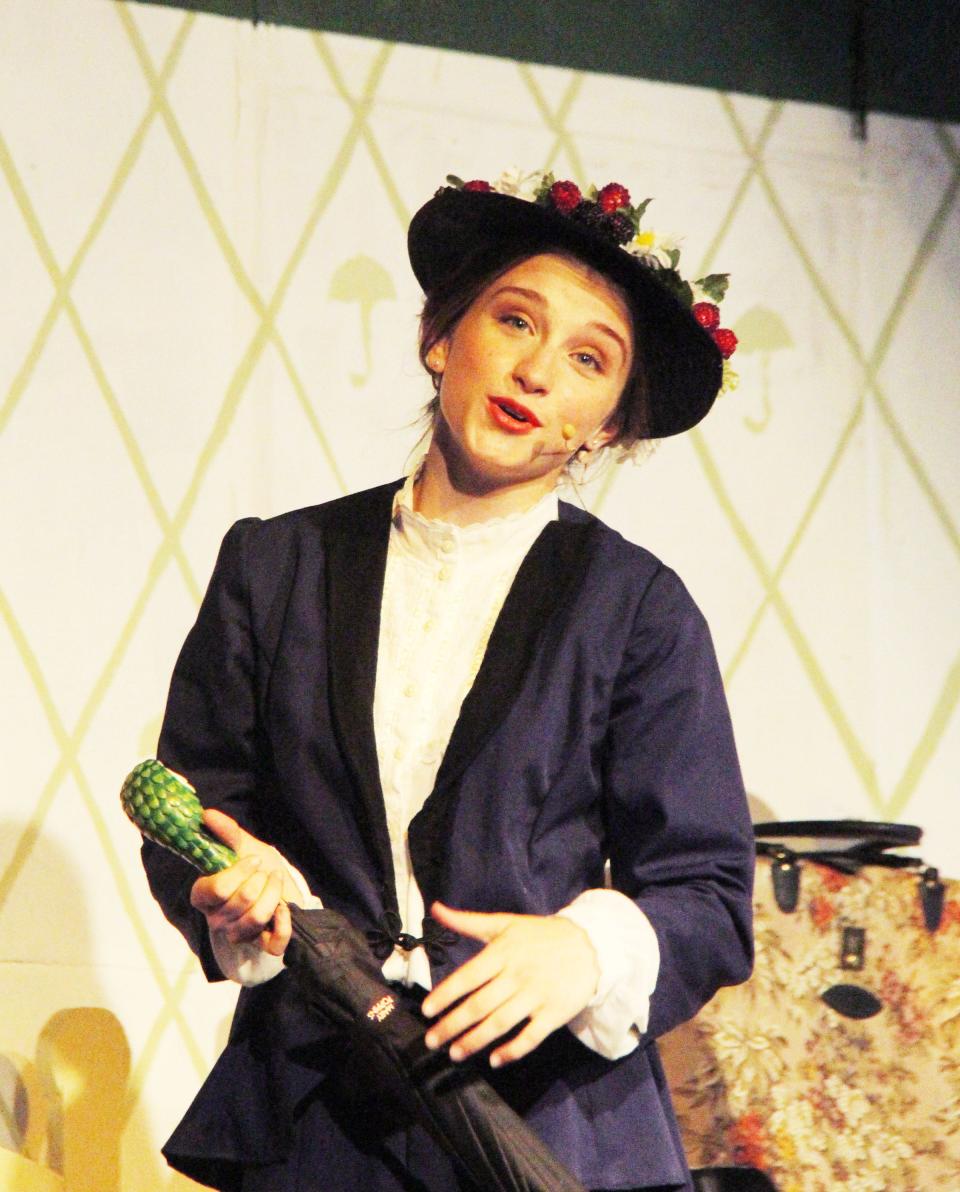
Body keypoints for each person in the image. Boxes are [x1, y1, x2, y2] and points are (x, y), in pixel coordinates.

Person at [141, 169, 755, 1192]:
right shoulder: (274, 565)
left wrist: (582, 953)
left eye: (588, 359)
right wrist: (225, 899)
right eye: (515, 321)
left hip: (550, 1121)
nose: (538, 371)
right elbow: (203, 811)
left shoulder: (639, 608)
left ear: (606, 426)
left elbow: (707, 891)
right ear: (440, 336)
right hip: (319, 1114)